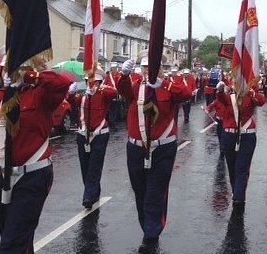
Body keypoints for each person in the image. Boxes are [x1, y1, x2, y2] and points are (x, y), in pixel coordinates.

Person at [0, 69, 70, 253]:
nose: (11, 73)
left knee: (12, 243)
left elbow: (62, 84)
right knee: (14, 236)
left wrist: (31, 75)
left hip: (30, 178)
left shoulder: (40, 96)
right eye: (7, 70)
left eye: (16, 69)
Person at [118, 58, 191, 253]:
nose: (147, 70)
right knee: (140, 191)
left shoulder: (168, 85)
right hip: (136, 148)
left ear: (160, 68)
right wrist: (124, 75)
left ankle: (150, 236)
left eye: (152, 67)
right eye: (144, 67)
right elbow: (123, 91)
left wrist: (164, 83)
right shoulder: (135, 85)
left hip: (162, 149)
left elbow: (185, 94)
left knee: (154, 192)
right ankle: (148, 227)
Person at [67, 69, 117, 210]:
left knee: (94, 166)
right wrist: (70, 93)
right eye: (88, 81)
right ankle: (93, 191)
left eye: (94, 81)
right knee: (85, 166)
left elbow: (113, 92)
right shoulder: (84, 95)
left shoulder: (103, 94)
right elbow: (72, 103)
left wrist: (99, 87)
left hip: (99, 135)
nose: (90, 83)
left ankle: (88, 195)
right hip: (83, 135)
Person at [217, 87, 266, 208]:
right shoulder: (228, 95)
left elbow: (261, 101)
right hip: (229, 135)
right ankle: (237, 191)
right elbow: (221, 99)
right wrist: (220, 90)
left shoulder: (250, 93)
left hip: (247, 135)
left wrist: (249, 91)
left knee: (241, 167)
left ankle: (238, 198)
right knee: (232, 166)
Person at [206, 81, 230, 157]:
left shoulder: (229, 100)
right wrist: (207, 110)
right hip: (219, 120)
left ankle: (224, 148)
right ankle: (222, 148)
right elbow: (211, 106)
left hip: (226, 121)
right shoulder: (217, 100)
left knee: (225, 136)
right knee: (220, 136)